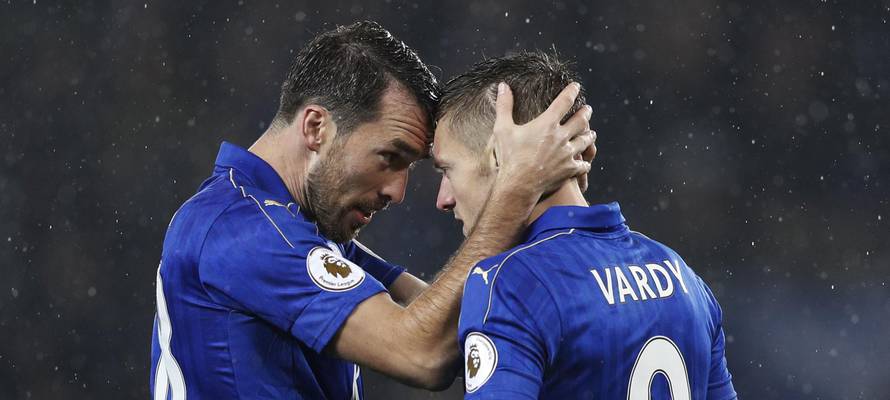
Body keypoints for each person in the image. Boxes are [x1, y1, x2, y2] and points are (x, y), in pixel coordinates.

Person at [150, 22, 595, 399]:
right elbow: (423, 353)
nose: (398, 191)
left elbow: (468, 322)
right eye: (389, 158)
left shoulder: (299, 228)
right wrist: (516, 190)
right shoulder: (241, 232)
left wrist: (554, 199)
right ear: (315, 127)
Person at [434, 51, 737, 399]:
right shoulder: (681, 275)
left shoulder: (512, 284)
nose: (443, 199)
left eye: (447, 170)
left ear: (503, 157)